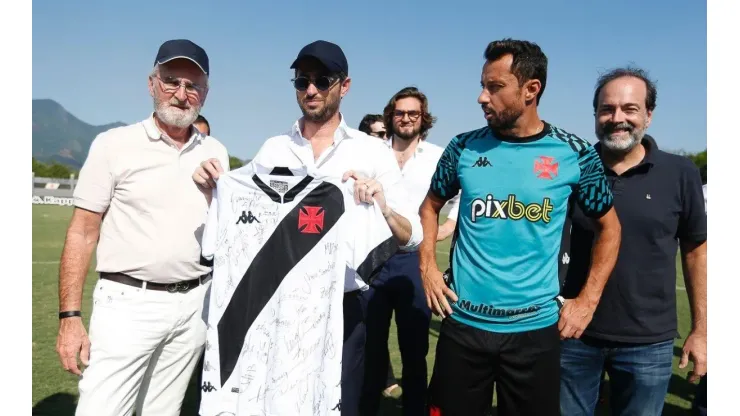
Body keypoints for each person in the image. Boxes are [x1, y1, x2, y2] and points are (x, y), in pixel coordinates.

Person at [191, 40, 422, 416]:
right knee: (269, 401)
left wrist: (382, 207)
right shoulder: (273, 150)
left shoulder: (372, 151)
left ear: (344, 86)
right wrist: (212, 192)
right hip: (273, 303)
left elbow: (414, 237)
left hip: (343, 306)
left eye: (322, 79)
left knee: (340, 404)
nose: (311, 89)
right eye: (302, 81)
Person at [418, 39, 621, 416]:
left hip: (535, 334)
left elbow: (610, 228)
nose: (482, 97)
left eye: (495, 87)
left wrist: (587, 301)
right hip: (463, 325)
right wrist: (428, 267)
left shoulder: (574, 153)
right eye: (482, 85)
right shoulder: (463, 147)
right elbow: (430, 208)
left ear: (531, 90)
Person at [55, 39, 229, 416]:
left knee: (162, 411)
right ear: (152, 83)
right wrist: (69, 318)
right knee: (102, 409)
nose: (182, 94)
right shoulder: (114, 144)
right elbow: (82, 231)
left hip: (194, 304)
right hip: (129, 302)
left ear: (206, 93)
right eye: (171, 81)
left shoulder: (216, 152)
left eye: (193, 85)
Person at [559, 67, 707, 416]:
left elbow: (696, 251)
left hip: (648, 343)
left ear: (649, 116)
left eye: (630, 109)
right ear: (595, 115)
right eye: (607, 109)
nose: (617, 118)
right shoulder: (570, 167)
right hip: (572, 333)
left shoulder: (680, 172)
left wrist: (701, 329)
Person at [360, 87, 449, 415]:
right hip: (373, 260)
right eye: (400, 113)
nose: (406, 118)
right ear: (390, 116)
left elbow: (455, 202)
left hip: (414, 261)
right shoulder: (371, 152)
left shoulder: (437, 156)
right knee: (370, 348)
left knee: (414, 350)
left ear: (423, 118)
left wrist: (437, 234)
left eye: (413, 113)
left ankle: (414, 409)